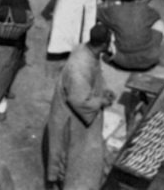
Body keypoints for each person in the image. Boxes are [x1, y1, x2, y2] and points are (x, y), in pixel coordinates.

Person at [46, 24, 115, 190]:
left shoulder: (87, 50)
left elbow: (96, 75)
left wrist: (103, 90)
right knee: (73, 161)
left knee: (84, 157)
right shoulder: (79, 66)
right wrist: (101, 102)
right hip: (71, 118)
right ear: (104, 44)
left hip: (79, 111)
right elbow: (79, 101)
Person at [97, 0, 164, 71]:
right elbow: (156, 16)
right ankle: (154, 49)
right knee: (159, 23)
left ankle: (112, 54)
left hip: (122, 61)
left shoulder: (113, 11)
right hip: (151, 58)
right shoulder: (145, 9)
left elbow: (97, 13)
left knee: (102, 25)